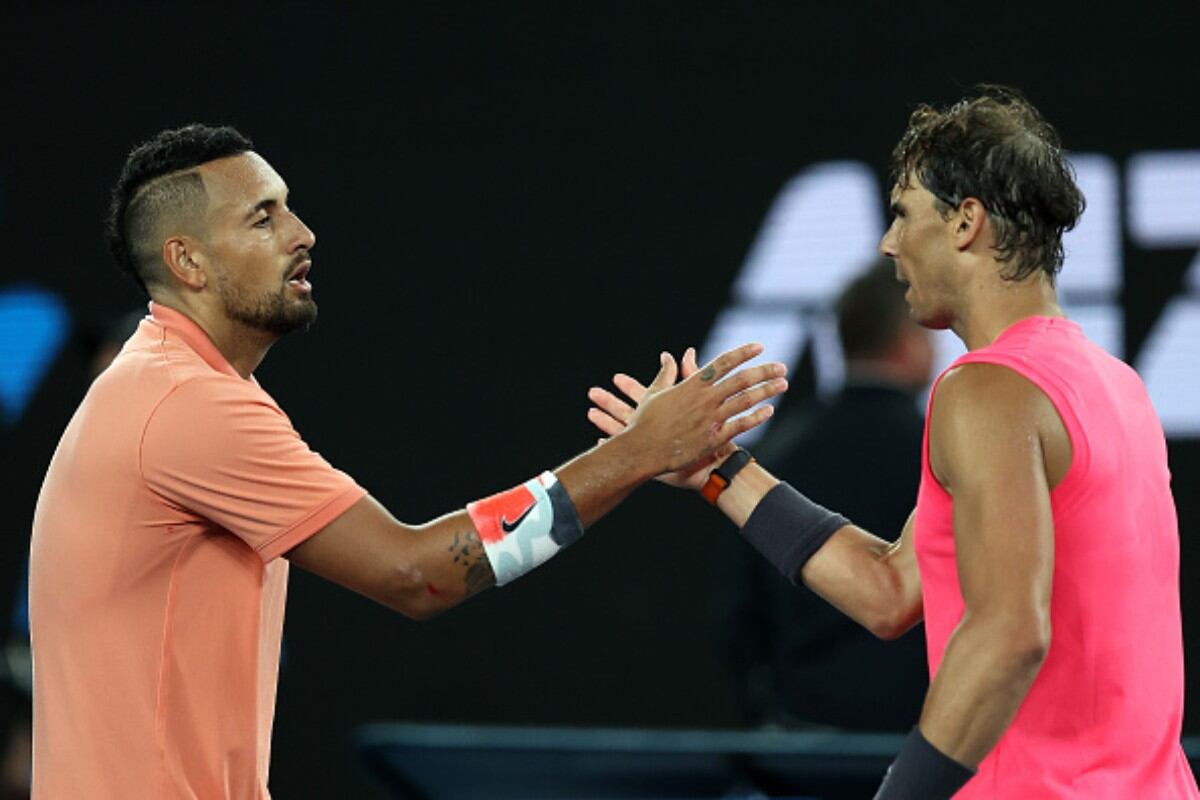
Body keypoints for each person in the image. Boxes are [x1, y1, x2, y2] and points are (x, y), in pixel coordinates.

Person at [27, 124, 789, 799]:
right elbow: (418, 572)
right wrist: (634, 454)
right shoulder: (184, 404)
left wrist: (628, 454)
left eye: (288, 205)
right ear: (187, 260)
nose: (303, 232)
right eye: (263, 216)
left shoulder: (171, 386)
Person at [588, 85, 1200, 798]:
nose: (888, 244)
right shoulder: (1115, 385)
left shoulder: (987, 390)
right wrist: (720, 470)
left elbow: (1007, 634)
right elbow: (892, 590)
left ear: (965, 221)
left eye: (904, 214)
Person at [724, 258, 932, 731]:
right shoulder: (943, 454)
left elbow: (739, 616)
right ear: (908, 342)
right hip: (921, 739)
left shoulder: (775, 453)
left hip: (803, 732)